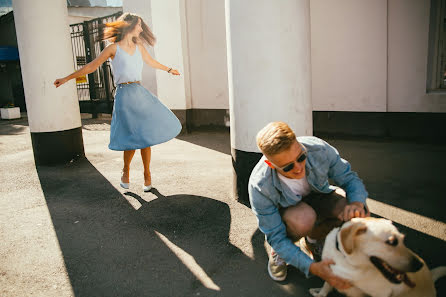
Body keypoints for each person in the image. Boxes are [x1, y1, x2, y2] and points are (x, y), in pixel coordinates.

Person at [54, 13, 182, 192]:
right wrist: (67, 78)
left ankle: (147, 174)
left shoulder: (139, 46)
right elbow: (92, 66)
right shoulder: (113, 48)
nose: (141, 29)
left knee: (145, 136)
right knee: (131, 138)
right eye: (139, 25)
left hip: (139, 94)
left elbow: (151, 62)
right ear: (129, 25)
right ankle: (126, 171)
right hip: (124, 96)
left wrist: (169, 69)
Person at [248, 121, 370, 290]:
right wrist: (312, 267)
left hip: (318, 196)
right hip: (291, 213)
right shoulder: (260, 186)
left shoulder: (317, 149)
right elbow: (275, 235)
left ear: (298, 143)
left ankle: (314, 239)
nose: (298, 168)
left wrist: (356, 203)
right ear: (270, 164)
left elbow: (349, 179)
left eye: (301, 157)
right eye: (288, 167)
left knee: (355, 210)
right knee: (302, 220)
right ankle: (281, 252)